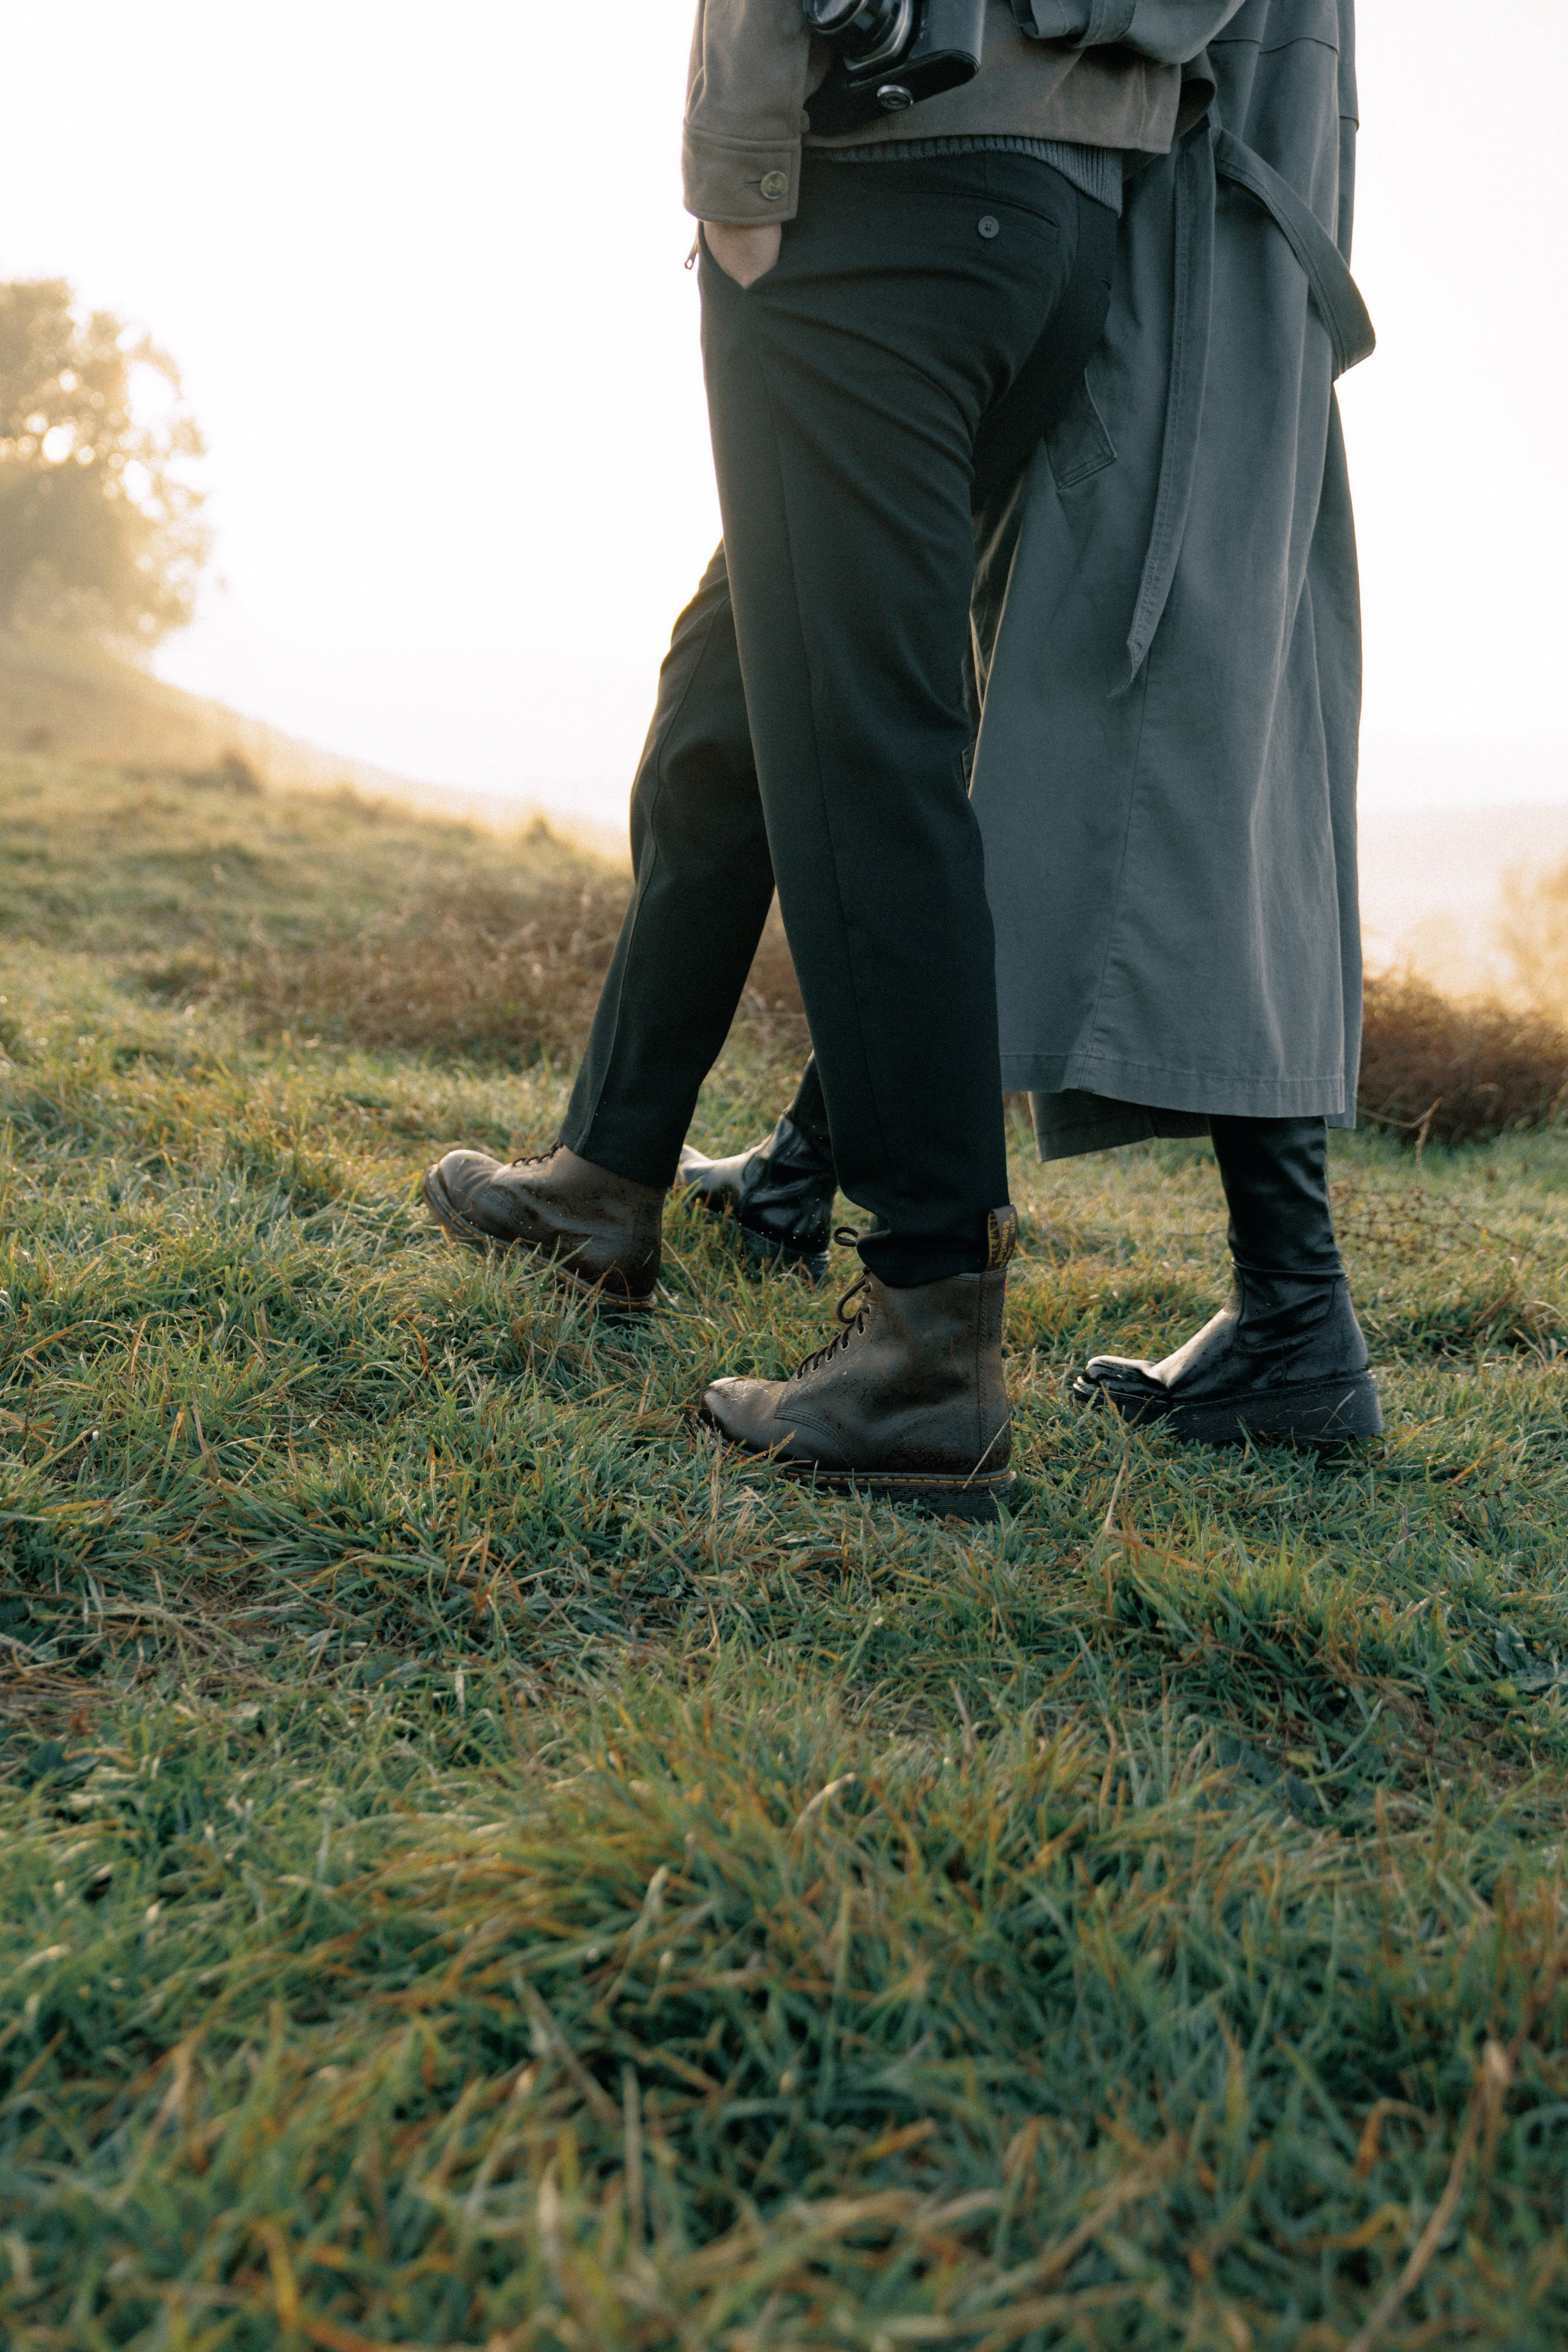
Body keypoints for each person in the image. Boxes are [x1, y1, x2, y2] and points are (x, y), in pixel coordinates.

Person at [424, 0, 1240, 1518]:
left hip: (887, 188)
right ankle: (606, 1176)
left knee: (861, 753)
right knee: (736, 687)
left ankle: (931, 1342)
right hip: (1060, 220)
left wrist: (734, 172)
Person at [680, 0, 1383, 1452]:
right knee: (1022, 739)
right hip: (1152, 232)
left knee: (1133, 766)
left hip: (1177, 258)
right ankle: (805, 1175)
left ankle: (1297, 1315)